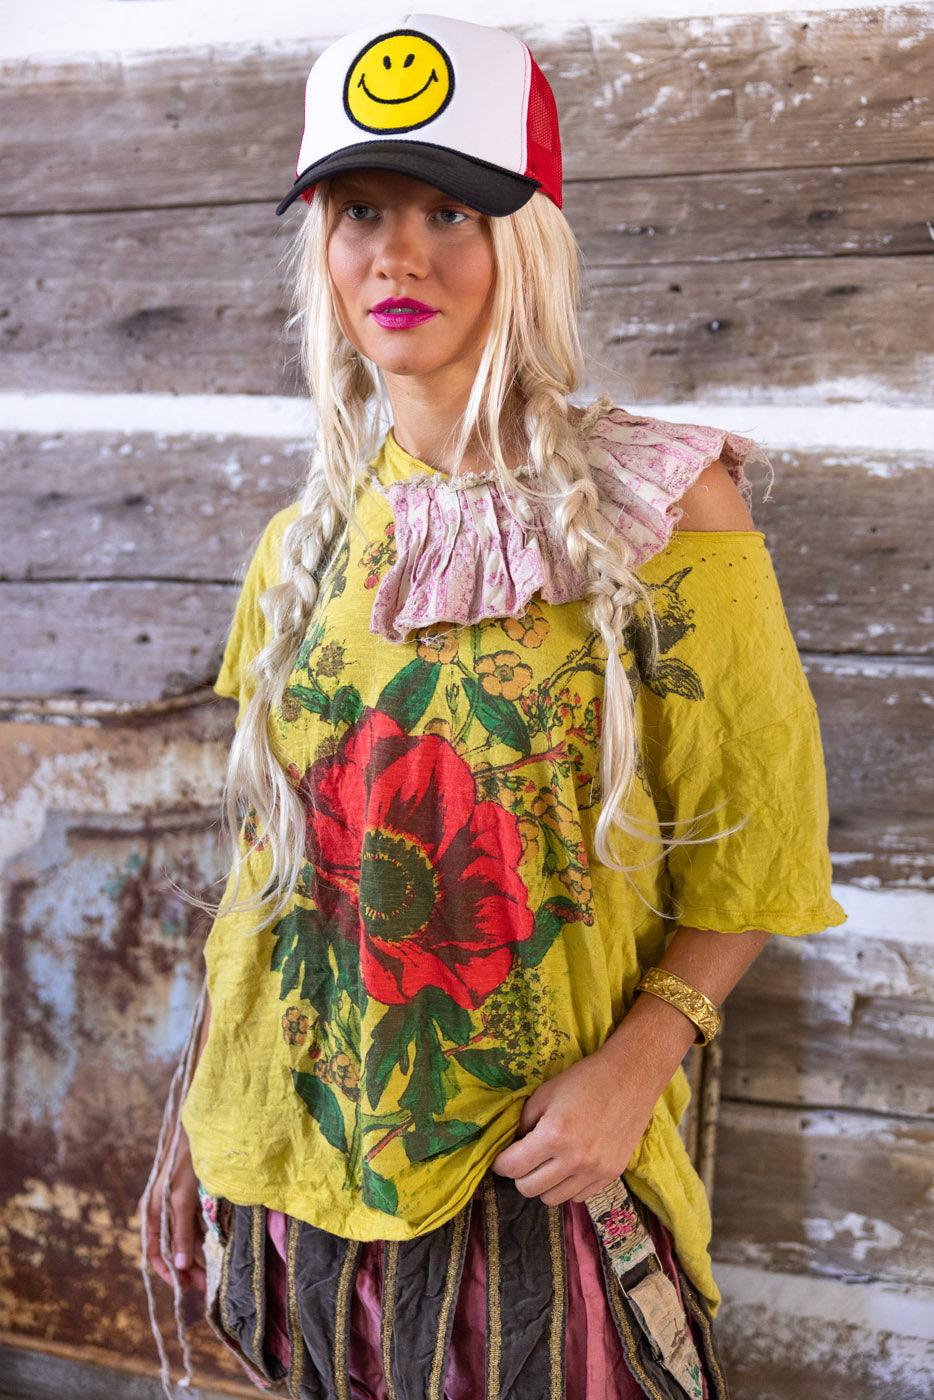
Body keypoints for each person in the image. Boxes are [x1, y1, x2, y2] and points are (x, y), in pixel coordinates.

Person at [137, 14, 847, 1400]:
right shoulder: (307, 545)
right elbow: (265, 872)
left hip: (541, 1176)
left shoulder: (658, 502)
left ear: (523, 243)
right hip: (301, 1173)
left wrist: (643, 1062)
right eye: (358, 212)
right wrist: (192, 1116)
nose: (396, 254)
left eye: (448, 211)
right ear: (322, 249)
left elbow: (760, 838)